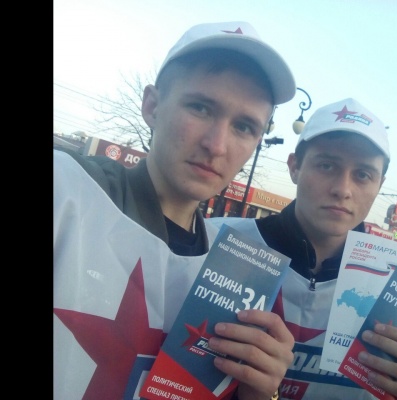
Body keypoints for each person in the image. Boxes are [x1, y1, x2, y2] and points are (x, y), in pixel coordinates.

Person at [54, 21, 298, 400]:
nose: (217, 145)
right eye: (200, 107)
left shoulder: (234, 270)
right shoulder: (66, 189)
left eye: (244, 127)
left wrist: (257, 392)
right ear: (152, 106)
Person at [208, 98, 397, 399]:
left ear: (379, 185)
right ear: (295, 167)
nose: (342, 190)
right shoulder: (214, 240)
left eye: (363, 175)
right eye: (327, 165)